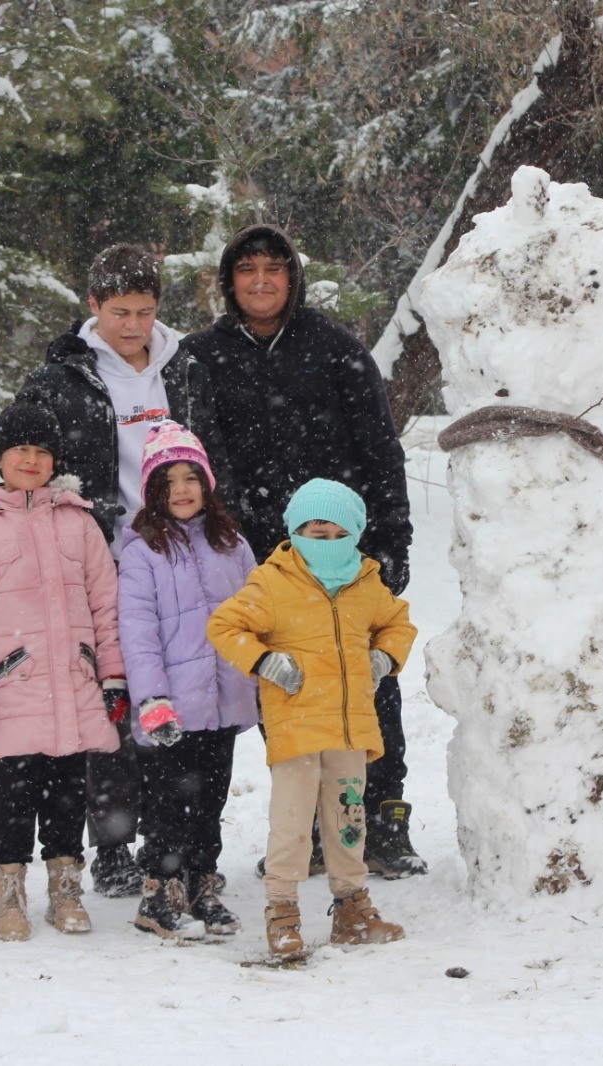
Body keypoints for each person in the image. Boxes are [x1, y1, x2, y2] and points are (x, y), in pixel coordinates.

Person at [181, 223, 423, 877]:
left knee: (367, 684)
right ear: (229, 282)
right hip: (262, 557)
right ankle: (318, 828)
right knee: (285, 691)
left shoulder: (336, 349)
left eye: (274, 268)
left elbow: (379, 449)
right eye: (247, 269)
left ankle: (382, 818)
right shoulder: (201, 357)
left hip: (344, 553)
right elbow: (197, 458)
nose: (261, 280)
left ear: (293, 278)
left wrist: (392, 539)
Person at [17, 243, 233, 898]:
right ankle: (112, 841)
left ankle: (177, 842)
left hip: (184, 554)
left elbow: (219, 448)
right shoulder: (62, 377)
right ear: (92, 306)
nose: (133, 325)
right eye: (119, 312)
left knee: (179, 698)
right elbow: (27, 459)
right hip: (107, 557)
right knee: (115, 701)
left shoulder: (188, 368)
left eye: (143, 311)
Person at [0, 403, 131, 941]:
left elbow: (105, 608)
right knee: (14, 795)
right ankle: (9, 895)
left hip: (74, 683)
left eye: (42, 451)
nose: (30, 459)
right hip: (10, 688)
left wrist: (112, 676)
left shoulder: (79, 523)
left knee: (70, 793)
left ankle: (66, 892)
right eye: (19, 450)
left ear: (55, 461)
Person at [208, 478, 416, 959]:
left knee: (349, 820)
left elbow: (397, 622)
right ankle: (282, 913)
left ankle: (351, 909)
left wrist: (385, 657)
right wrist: (264, 662)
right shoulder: (273, 581)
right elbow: (225, 624)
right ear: (293, 533)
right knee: (292, 824)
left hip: (349, 725)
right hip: (298, 726)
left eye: (335, 535)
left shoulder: (366, 580)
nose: (324, 545)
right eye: (312, 534)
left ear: (355, 534)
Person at [117, 421, 260, 939]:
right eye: (169, 480)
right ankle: (160, 888)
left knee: (210, 799)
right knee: (167, 802)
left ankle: (202, 883)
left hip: (225, 698)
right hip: (170, 706)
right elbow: (138, 632)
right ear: (153, 490)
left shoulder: (232, 544)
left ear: (207, 484)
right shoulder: (142, 552)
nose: (181, 490)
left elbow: (255, 616)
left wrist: (259, 679)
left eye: (190, 478)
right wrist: (152, 699)